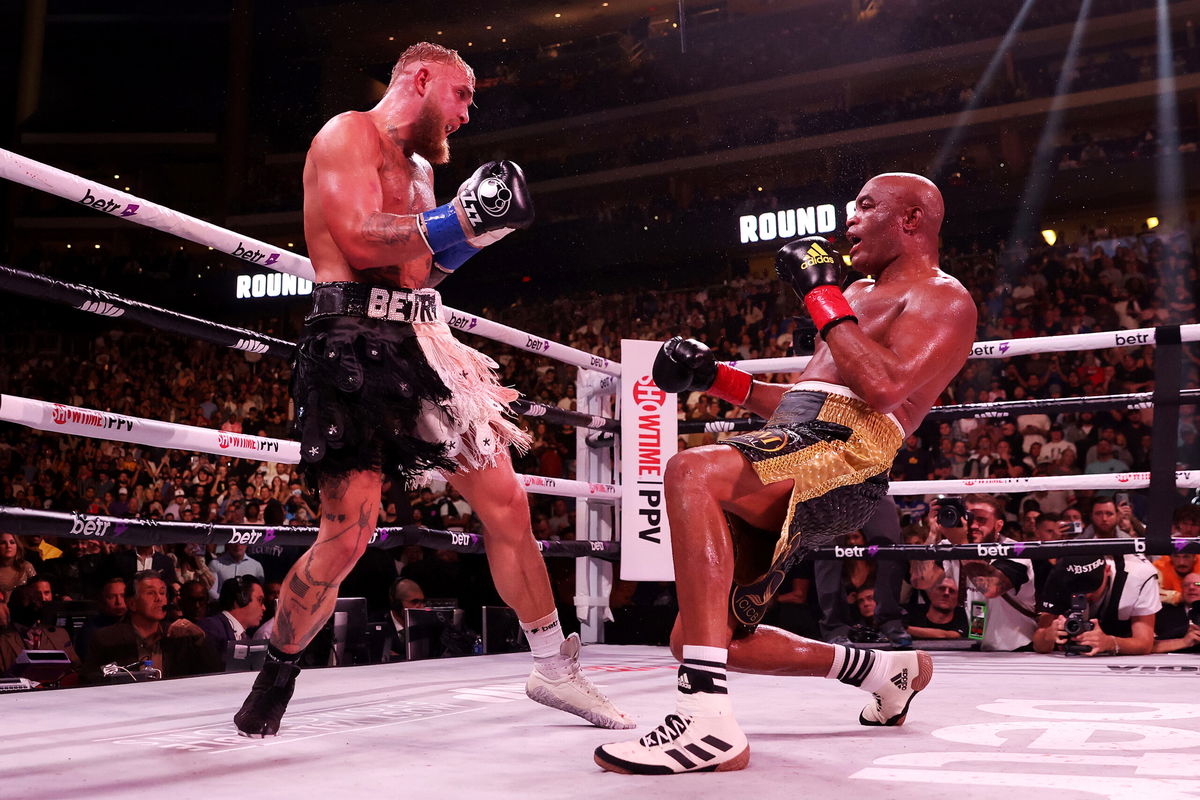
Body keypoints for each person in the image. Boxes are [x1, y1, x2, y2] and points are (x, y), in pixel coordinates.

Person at [235, 42, 630, 737]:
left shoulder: (421, 170)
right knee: (349, 534)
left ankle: (554, 667)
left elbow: (420, 269)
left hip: (424, 341)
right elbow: (359, 241)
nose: (467, 114)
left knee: (508, 503)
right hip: (350, 341)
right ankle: (280, 665)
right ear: (420, 79)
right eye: (462, 95)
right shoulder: (347, 133)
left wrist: (474, 237)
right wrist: (461, 219)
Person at [595, 173, 976, 774]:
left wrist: (821, 298)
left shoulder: (943, 297)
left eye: (867, 206)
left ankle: (705, 719)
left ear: (910, 220)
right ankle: (886, 671)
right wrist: (715, 379)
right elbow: (807, 400)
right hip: (810, 438)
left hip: (849, 454)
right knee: (702, 638)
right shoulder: (857, 293)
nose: (850, 219)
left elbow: (881, 389)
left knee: (691, 470)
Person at [1032, 554, 1161, 656]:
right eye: (1076, 588)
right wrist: (1048, 635)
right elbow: (1038, 642)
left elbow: (1144, 643)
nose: (1086, 595)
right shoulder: (1059, 576)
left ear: (1107, 570)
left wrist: (1111, 643)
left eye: (1091, 588)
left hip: (1122, 641)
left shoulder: (1140, 575)